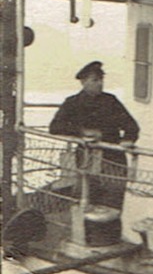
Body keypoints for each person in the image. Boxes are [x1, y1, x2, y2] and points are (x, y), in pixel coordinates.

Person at [49, 61, 139, 210]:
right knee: (86, 202)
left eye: (101, 80)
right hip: (86, 159)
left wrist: (128, 140)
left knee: (113, 205)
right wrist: (81, 131)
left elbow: (132, 126)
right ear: (83, 82)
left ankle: (110, 233)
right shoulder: (72, 103)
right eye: (95, 80)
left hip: (113, 160)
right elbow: (55, 127)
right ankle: (88, 232)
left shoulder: (111, 101)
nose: (100, 84)